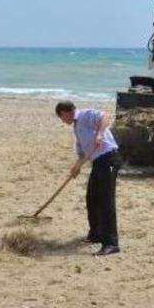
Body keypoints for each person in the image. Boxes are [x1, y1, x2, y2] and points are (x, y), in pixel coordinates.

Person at [55, 100, 122, 256]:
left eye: (61, 118)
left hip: (110, 159)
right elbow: (84, 154)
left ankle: (111, 243)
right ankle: (96, 234)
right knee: (92, 198)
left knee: (106, 201)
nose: (63, 121)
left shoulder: (85, 115)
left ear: (64, 113)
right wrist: (76, 167)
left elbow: (105, 116)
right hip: (98, 162)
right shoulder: (77, 128)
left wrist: (99, 133)